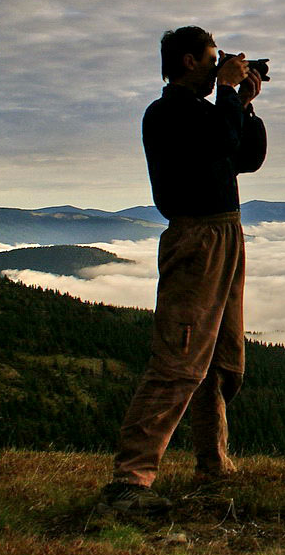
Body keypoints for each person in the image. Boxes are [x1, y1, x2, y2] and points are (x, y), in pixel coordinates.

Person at [99, 26, 266, 514]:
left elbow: (247, 157)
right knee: (179, 358)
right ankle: (130, 481)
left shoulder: (203, 112)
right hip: (196, 238)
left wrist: (246, 100)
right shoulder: (168, 112)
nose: (219, 69)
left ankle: (213, 465)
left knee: (219, 361)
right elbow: (220, 140)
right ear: (189, 61)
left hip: (226, 232)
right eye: (214, 60)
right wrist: (231, 93)